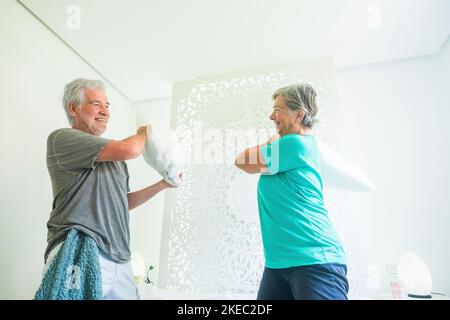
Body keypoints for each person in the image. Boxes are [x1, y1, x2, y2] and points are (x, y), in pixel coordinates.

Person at [42, 78, 175, 299]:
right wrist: (145, 133)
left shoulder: (116, 160)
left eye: (107, 106)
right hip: (82, 246)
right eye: (96, 104)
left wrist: (163, 184)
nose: (105, 111)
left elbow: (123, 203)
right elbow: (131, 149)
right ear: (73, 108)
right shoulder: (62, 138)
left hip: (120, 256)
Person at [234, 83, 349, 300]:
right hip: (277, 264)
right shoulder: (287, 150)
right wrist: (272, 142)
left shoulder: (296, 144)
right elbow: (246, 163)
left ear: (299, 114)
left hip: (314, 260)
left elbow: (242, 160)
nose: (271, 116)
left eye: (278, 109)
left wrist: (272, 142)